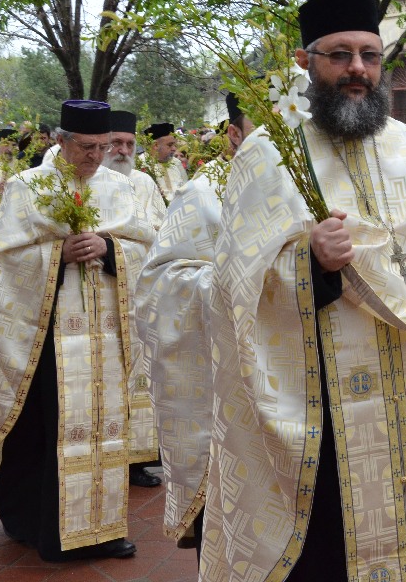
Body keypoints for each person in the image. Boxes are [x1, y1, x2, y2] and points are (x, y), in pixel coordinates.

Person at [201, 0, 406, 582]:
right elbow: (232, 287)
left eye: (370, 56)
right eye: (340, 54)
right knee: (330, 547)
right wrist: (309, 262)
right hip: (323, 393)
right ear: (304, 62)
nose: (358, 69)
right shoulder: (269, 152)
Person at [0, 100, 157, 562]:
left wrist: (111, 248)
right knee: (46, 428)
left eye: (104, 146)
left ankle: (101, 528)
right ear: (61, 141)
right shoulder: (27, 186)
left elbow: (154, 247)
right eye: (86, 147)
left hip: (110, 334)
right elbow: (2, 261)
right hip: (46, 336)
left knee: (105, 427)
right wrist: (58, 254)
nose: (96, 156)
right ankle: (39, 524)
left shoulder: (124, 188)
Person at [136, 92, 254, 554]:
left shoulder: (309, 188)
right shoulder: (202, 193)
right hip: (226, 379)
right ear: (234, 133)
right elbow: (162, 285)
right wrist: (241, 279)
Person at [103, 109, 167, 486]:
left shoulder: (143, 183)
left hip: (141, 293)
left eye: (129, 144)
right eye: (116, 143)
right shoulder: (87, 181)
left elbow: (161, 230)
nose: (123, 150)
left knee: (139, 378)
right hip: (102, 295)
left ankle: (137, 459)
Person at [143, 122, 188, 202]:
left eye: (174, 145)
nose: (174, 149)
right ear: (155, 145)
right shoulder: (142, 164)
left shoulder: (176, 163)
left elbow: (186, 189)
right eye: (170, 145)